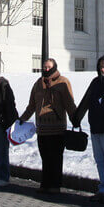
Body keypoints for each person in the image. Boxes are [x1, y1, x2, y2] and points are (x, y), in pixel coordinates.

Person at [19, 58, 76, 194]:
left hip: (57, 127)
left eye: (49, 67)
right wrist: (23, 118)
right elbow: (32, 105)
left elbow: (69, 103)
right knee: (45, 157)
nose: (46, 69)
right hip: (42, 128)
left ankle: (55, 185)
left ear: (54, 67)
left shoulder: (63, 82)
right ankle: (45, 183)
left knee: (56, 158)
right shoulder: (38, 83)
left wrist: (75, 118)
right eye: (44, 67)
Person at [72, 54, 104, 203]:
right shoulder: (95, 82)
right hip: (96, 128)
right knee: (100, 160)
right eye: (100, 65)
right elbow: (86, 100)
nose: (102, 68)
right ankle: (103, 189)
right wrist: (77, 117)